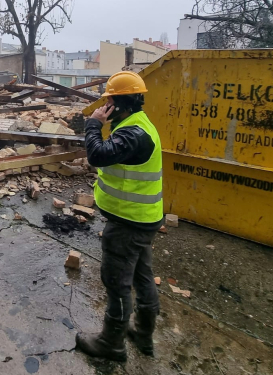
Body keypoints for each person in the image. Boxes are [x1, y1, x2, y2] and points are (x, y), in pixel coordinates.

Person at [75, 71, 164, 361]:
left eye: (108, 101)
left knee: (117, 283)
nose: (105, 106)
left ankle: (111, 343)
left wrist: (93, 124)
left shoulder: (132, 133)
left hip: (128, 223)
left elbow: (97, 155)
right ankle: (143, 334)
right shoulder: (137, 124)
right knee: (141, 277)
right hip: (141, 219)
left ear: (116, 102)